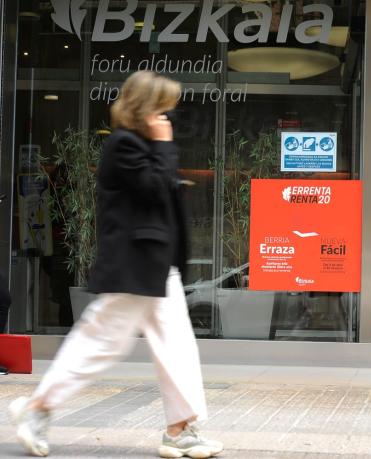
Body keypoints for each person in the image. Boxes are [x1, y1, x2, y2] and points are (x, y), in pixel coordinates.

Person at [9, 71, 223, 458]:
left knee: (176, 346)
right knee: (101, 343)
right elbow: (154, 189)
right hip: (135, 265)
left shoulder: (140, 144)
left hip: (156, 265)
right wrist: (165, 147)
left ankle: (180, 427)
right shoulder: (124, 146)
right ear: (145, 109)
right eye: (162, 109)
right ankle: (35, 409)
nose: (167, 118)